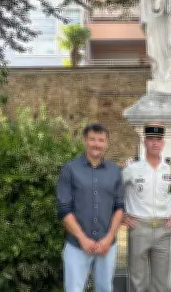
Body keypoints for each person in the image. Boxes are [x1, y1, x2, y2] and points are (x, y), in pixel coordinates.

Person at [56, 123, 124, 292]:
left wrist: (109, 238)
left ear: (106, 143)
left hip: (106, 245)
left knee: (104, 288)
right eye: (92, 139)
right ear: (85, 140)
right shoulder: (70, 169)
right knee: (74, 289)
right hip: (77, 245)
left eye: (101, 140)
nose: (96, 144)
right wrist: (82, 238)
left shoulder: (115, 171)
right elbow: (64, 208)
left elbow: (119, 207)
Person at [121, 122, 171, 292]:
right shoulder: (132, 168)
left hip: (163, 229)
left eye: (158, 139)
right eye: (151, 139)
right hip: (139, 227)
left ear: (163, 142)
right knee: (137, 279)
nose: (155, 143)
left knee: (160, 281)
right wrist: (121, 215)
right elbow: (114, 190)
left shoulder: (170, 167)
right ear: (145, 142)